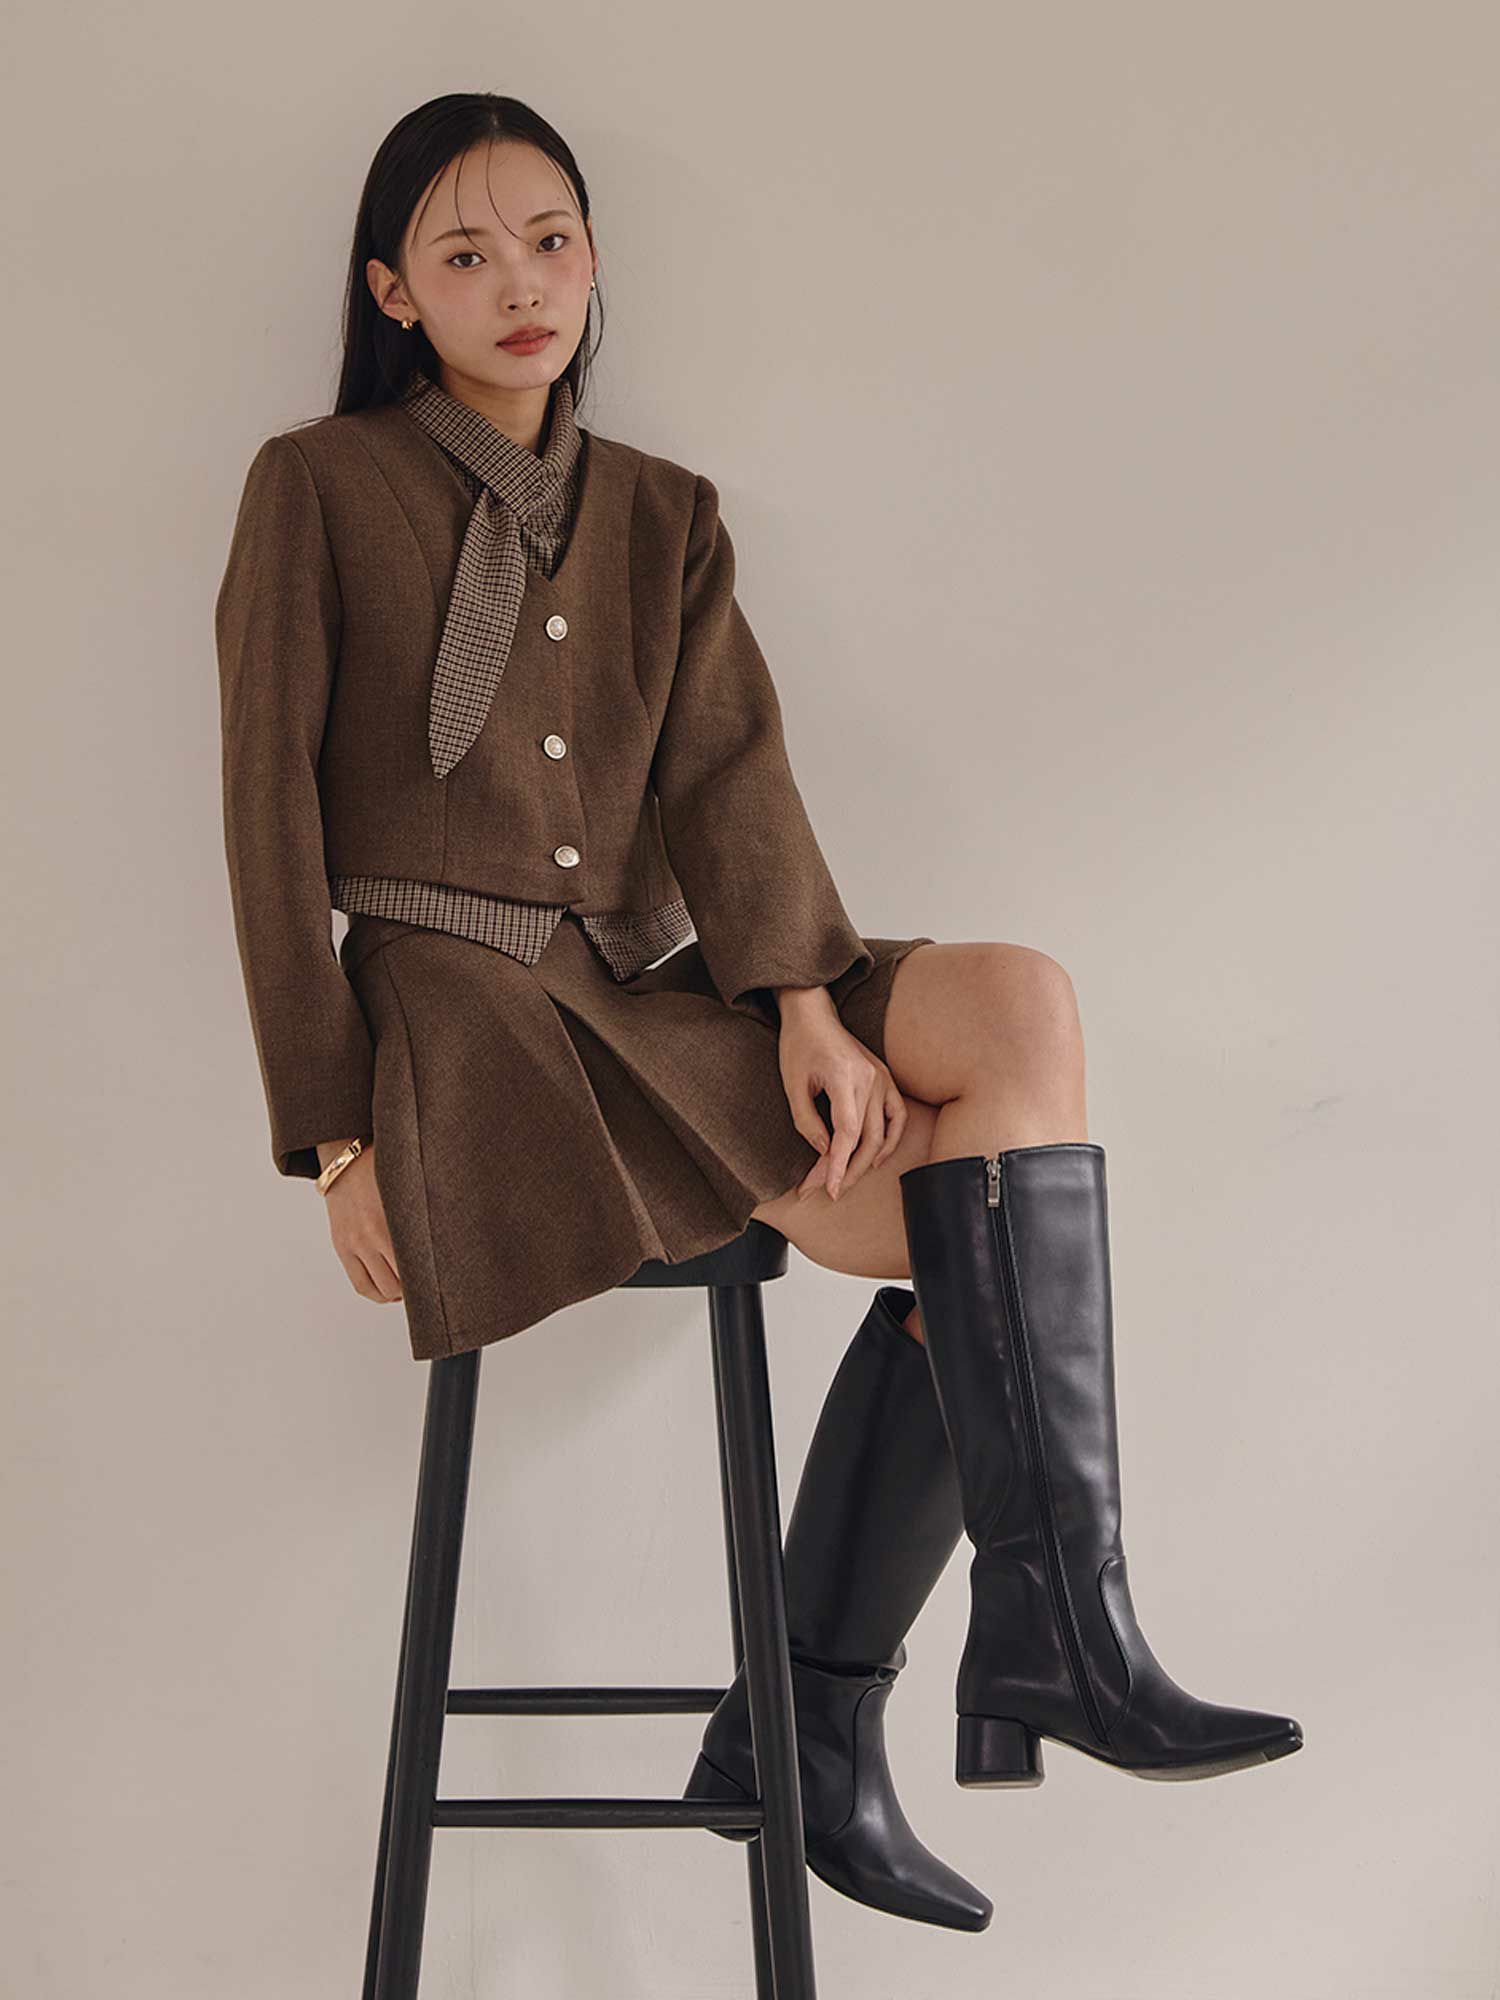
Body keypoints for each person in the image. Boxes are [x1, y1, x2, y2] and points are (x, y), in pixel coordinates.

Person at [215, 92, 1303, 1938]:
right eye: (466, 255)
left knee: (1019, 1008)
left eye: (551, 240)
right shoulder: (316, 486)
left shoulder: (663, 512)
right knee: (973, 1234)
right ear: (393, 291)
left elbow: (729, 780)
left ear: (593, 259)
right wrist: (331, 1137)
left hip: (663, 983)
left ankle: (1004, 1640)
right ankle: (862, 1698)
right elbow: (266, 821)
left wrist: (804, 1000)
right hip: (480, 1021)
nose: (521, 285)